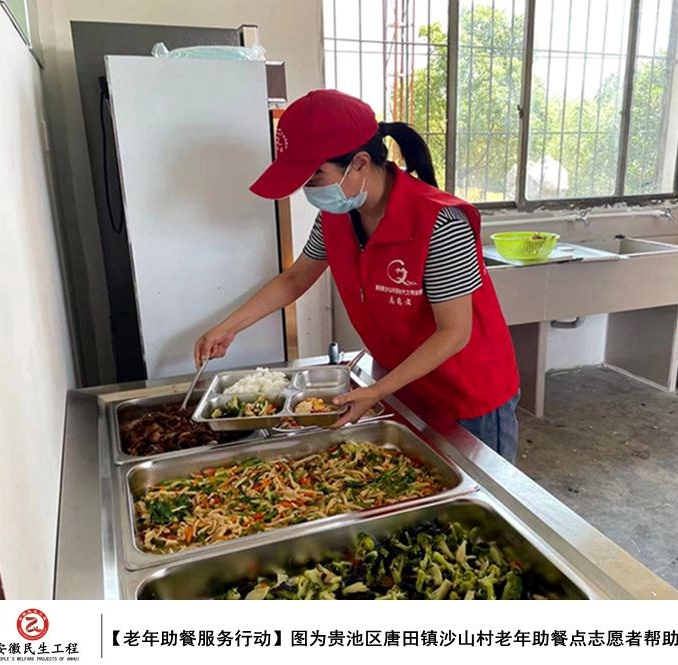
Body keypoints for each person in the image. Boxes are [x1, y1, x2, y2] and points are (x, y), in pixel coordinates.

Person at [194, 89, 521, 462]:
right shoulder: (336, 217)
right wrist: (229, 328)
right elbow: (296, 278)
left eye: (315, 176)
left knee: (479, 487)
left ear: (360, 162)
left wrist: (377, 391)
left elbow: (454, 332)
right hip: (403, 384)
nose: (308, 190)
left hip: (468, 394)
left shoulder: (440, 223)